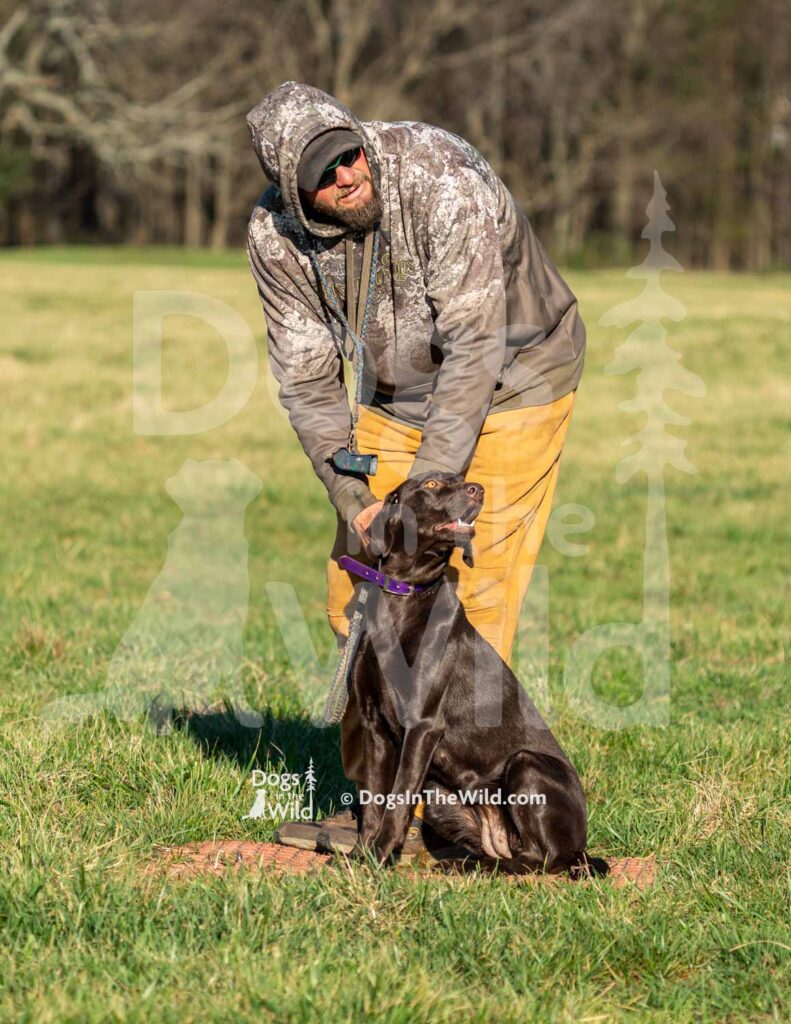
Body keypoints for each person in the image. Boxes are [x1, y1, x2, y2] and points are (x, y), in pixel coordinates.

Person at [245, 81, 585, 857]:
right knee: (356, 598)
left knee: (474, 605)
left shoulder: (436, 177)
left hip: (514, 378)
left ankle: (462, 817)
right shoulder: (275, 238)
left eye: (350, 154)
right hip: (394, 398)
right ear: (292, 192)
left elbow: (474, 349)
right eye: (323, 173)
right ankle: (378, 814)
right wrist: (356, 496)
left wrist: (428, 497)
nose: (347, 175)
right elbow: (305, 380)